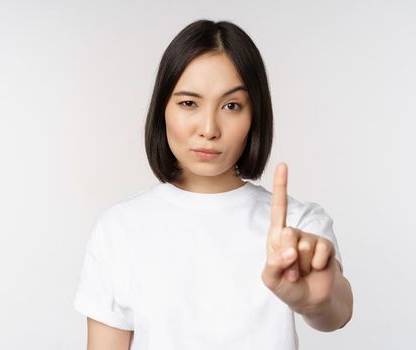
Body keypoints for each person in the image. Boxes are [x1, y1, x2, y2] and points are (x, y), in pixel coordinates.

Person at [72, 19, 354, 350]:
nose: (209, 128)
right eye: (188, 103)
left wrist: (315, 301)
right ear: (162, 108)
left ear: (254, 116)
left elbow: (337, 312)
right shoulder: (118, 229)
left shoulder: (297, 227)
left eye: (231, 106)